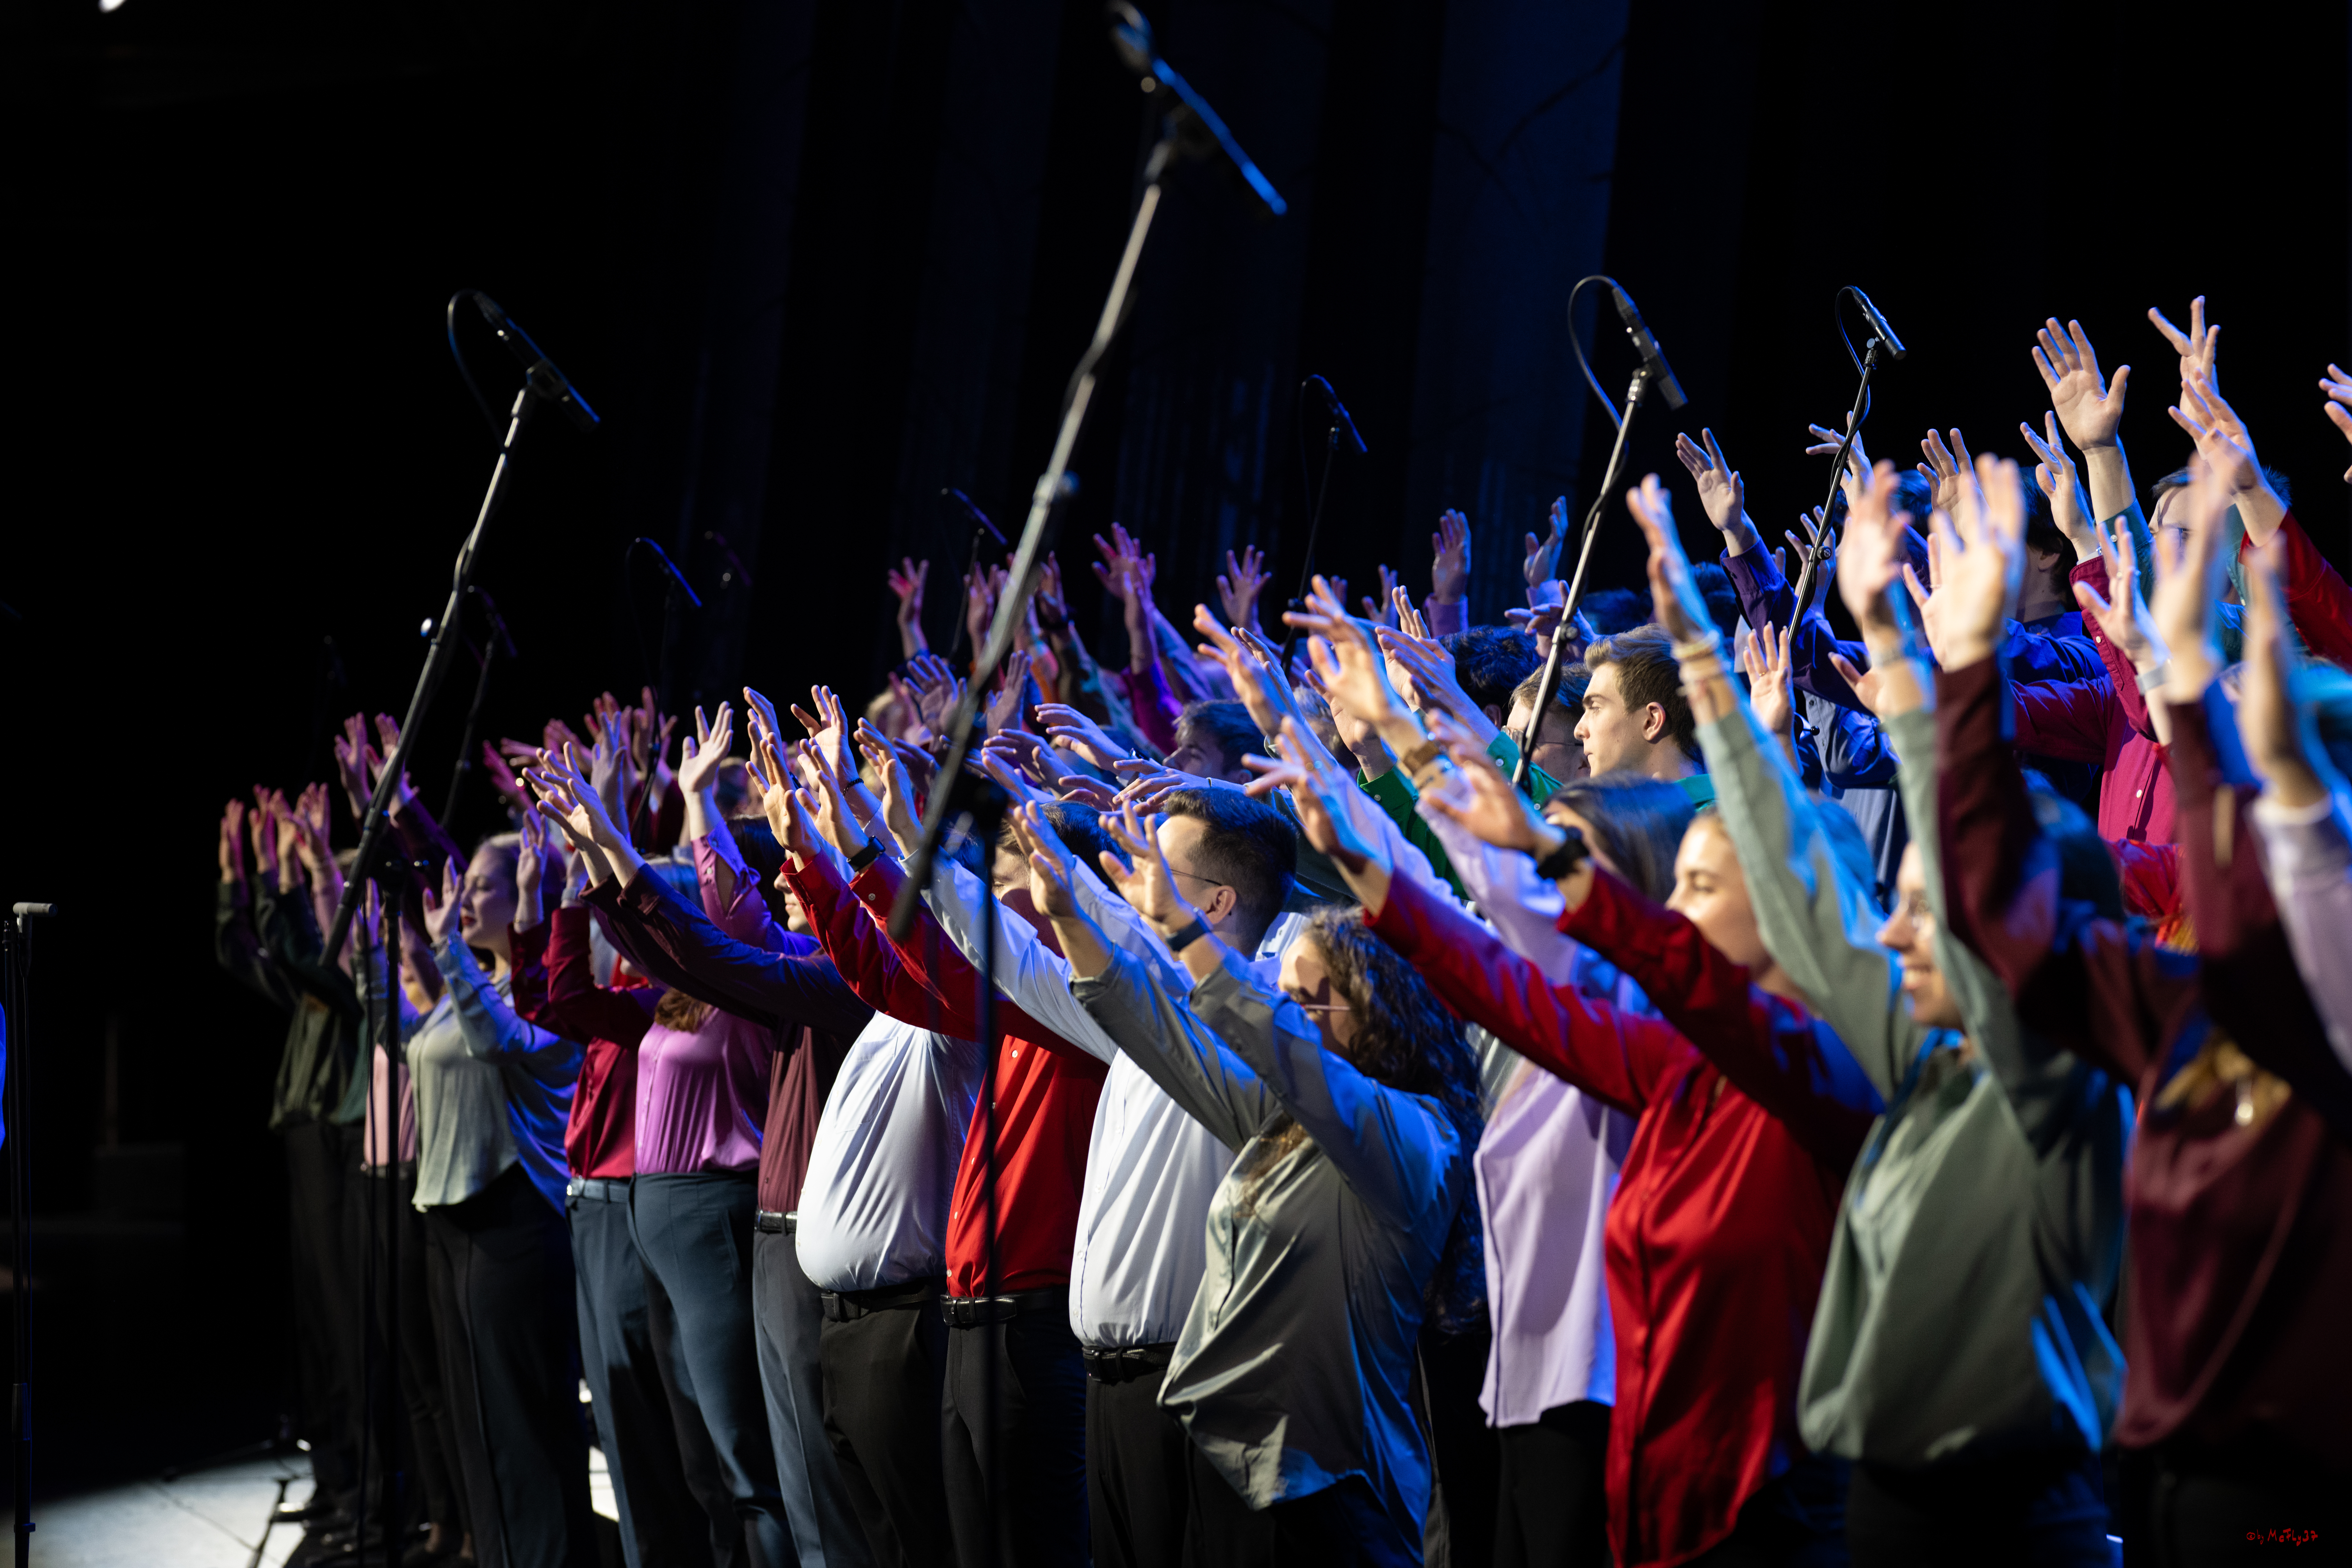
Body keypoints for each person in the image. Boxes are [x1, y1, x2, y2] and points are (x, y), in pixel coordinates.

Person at [1292, 556, 1880, 1567]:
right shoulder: (1676, 1062)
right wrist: (1362, 863)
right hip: (1654, 1492)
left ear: (1789, 909)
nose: (1679, 912)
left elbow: (1669, 960)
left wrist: (1548, 847)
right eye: (1679, 884)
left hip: (1768, 1504)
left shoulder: (1819, 1069)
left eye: (1702, 885)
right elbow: (1508, 990)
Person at [1931, 453, 2352, 1560]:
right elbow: (2027, 898)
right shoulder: (2180, 1001)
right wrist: (1945, 669)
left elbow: (2250, 808)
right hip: (2168, 1468)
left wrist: (2127, 492)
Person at [1708, 463, 2131, 1565]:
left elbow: (1983, 891)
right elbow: (1810, 917)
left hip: (2008, 1527)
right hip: (1880, 1508)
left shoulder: (2060, 1085)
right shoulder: (1927, 1061)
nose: (1893, 936)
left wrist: (1907, 669)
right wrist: (1731, 729)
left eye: (1920, 913)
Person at [1032, 781, 1477, 1565]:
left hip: (1331, 1492)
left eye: (1308, 997)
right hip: (1237, 1467)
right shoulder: (1287, 1119)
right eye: (1285, 992)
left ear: (1377, 1015)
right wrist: (1070, 915)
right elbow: (1166, 1036)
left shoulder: (1415, 1138)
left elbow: (1289, 1055)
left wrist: (1180, 925)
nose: (1287, 1008)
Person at [1416, 769, 1689, 1568]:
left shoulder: (1642, 1007)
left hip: (1602, 1386)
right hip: (1528, 1385)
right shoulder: (1571, 1000)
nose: (1538, 876)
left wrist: (1402, 744)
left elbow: (1467, 907)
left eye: (1564, 855)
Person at [408, 836, 596, 1568]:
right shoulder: (475, 983)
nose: (466, 900)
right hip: (454, 1224)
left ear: (528, 893)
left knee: (526, 1428)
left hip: (517, 1220)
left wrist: (446, 947)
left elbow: (496, 1043)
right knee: (476, 1425)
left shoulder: (547, 992)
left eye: (485, 887)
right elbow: (410, 1036)